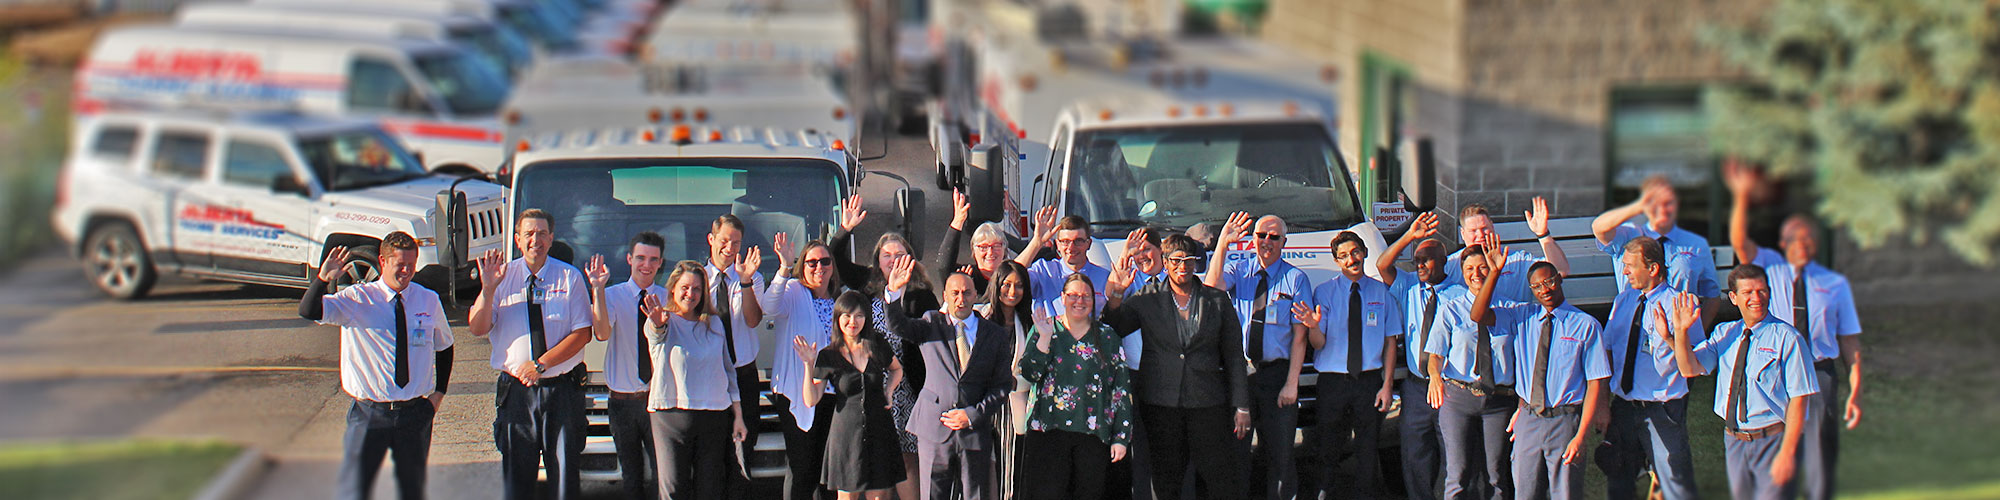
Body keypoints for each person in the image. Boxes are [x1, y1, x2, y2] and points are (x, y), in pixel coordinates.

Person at [1725, 161, 1864, 500]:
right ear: (1782, 243)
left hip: (1819, 374)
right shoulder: (1770, 267)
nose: (1799, 244)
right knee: (1777, 453)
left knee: (1818, 456)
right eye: (1792, 238)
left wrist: (1856, 391)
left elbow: (1849, 341)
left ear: (1813, 243)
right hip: (1777, 374)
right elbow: (1739, 240)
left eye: (1805, 238)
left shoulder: (1834, 284)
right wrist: (1742, 195)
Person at [300, 233, 455, 500]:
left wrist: (438, 394)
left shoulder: (427, 300)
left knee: (412, 489)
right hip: (370, 413)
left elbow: (444, 346)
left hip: (414, 413)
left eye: (411, 264)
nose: (406, 271)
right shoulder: (357, 299)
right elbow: (309, 311)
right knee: (356, 489)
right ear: (382, 261)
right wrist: (323, 279)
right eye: (400, 264)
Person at [1103, 234, 1251, 500]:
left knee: (1218, 478)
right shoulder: (1146, 297)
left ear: (1196, 264)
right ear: (1166, 262)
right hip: (1162, 405)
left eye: (1189, 261)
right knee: (1165, 479)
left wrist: (1241, 405)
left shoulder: (1217, 300)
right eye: (1176, 261)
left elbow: (1234, 356)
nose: (1183, 267)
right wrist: (1117, 294)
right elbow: (1115, 325)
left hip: (1207, 403)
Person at [469, 209, 594, 500]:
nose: (534, 240)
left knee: (564, 481)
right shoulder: (501, 277)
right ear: (517, 239)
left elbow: (582, 334)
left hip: (561, 391)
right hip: (517, 394)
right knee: (517, 480)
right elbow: (478, 327)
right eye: (528, 234)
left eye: (541, 234)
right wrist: (488, 291)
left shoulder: (569, 277)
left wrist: (541, 364)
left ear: (551, 239)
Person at [1663, 266, 1818, 500]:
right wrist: (1680, 332)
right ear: (1733, 298)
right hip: (1734, 440)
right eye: (1748, 293)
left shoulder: (1787, 338)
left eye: (1762, 291)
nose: (1756, 298)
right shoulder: (1725, 333)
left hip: (1772, 439)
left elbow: (1799, 399)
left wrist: (1788, 452)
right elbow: (1689, 368)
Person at [827, 199, 930, 500]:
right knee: (872, 459)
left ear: (910, 259)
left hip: (905, 388)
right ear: (878, 261)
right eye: (887, 255)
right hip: (868, 387)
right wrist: (844, 230)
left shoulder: (921, 296)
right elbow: (835, 259)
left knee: (905, 458)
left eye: (899, 254)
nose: (893, 260)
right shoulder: (866, 286)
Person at [1204, 213, 1311, 500]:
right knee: (1236, 453)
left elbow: (1301, 338)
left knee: (1280, 454)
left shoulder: (1296, 279)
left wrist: (1292, 383)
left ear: (1284, 242)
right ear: (1253, 239)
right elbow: (1212, 287)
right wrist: (1223, 245)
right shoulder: (1240, 270)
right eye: (1261, 235)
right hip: (1242, 374)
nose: (1267, 242)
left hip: (1277, 376)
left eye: (1274, 237)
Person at [1481, 263, 1609, 500]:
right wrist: (1494, 273)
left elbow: (1596, 384)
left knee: (1566, 493)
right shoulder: (1521, 316)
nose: (1545, 289)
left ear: (1559, 279)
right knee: (1526, 491)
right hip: (1528, 419)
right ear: (1531, 290)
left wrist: (1581, 436)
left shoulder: (1585, 325)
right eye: (1537, 286)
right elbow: (1478, 314)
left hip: (1564, 420)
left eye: (1549, 281)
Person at [882, 272, 1014, 500]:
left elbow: (1002, 386)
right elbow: (897, 325)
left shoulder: (995, 335)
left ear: (975, 296)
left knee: (976, 494)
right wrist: (893, 293)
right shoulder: (931, 323)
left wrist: (972, 415)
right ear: (945, 296)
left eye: (966, 293)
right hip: (935, 428)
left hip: (973, 431)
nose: (960, 298)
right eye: (954, 293)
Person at [1293, 230, 1400, 500]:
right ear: (1337, 262)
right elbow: (1318, 343)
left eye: (1354, 253)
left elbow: (1390, 342)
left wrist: (1386, 386)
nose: (1350, 259)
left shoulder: (1381, 292)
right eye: (1343, 256)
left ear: (1364, 252)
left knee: (1367, 449)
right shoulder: (1325, 292)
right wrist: (1313, 326)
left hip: (1368, 381)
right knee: (1327, 448)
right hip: (1333, 382)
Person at [1595, 236, 1702, 500]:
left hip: (1662, 409)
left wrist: (1671, 336)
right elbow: (1608, 350)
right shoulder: (1623, 301)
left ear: (1653, 269)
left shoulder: (1680, 305)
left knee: (1675, 483)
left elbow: (1696, 363)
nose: (1625, 271)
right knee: (1619, 479)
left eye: (1631, 265)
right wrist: (1603, 404)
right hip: (1623, 407)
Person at [639, 261, 752, 499]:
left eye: (697, 289)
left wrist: (738, 416)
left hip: (713, 417)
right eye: (685, 288)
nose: (690, 294)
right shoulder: (663, 321)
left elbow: (728, 372)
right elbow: (654, 334)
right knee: (673, 490)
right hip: (670, 417)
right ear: (673, 289)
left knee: (709, 489)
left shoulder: (714, 323)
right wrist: (658, 323)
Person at [1018, 273, 1135, 500]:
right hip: (1048, 431)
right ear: (1062, 297)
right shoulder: (1045, 328)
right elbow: (1030, 373)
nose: (1079, 301)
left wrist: (1121, 437)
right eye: (1073, 295)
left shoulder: (1107, 336)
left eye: (1085, 296)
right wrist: (1043, 339)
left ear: (1094, 299)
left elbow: (1121, 389)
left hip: (1091, 433)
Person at [793, 290, 908, 500]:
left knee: (880, 495)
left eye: (859, 316)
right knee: (848, 496)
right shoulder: (828, 355)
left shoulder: (877, 344)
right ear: (838, 318)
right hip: (846, 434)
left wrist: (888, 392)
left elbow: (896, 369)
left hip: (879, 429)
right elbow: (811, 399)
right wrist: (808, 366)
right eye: (847, 315)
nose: (852, 321)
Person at [1424, 244, 1518, 500]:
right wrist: (1434, 377)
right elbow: (1435, 355)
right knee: (1458, 472)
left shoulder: (1511, 310)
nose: (1476, 273)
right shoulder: (1450, 310)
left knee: (1496, 473)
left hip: (1498, 401)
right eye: (1469, 269)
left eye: (1482, 267)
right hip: (1459, 398)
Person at [583, 232, 668, 500]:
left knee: (662, 473)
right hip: (623, 403)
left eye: (653, 259)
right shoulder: (612, 295)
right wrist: (597, 288)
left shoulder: (669, 297)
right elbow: (602, 332)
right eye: (641, 258)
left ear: (660, 263)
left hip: (657, 401)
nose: (647, 265)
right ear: (630, 259)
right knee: (630, 475)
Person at [764, 233, 848, 500]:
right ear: (803, 267)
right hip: (798, 394)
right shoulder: (792, 291)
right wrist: (784, 268)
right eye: (811, 263)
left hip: (833, 396)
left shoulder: (840, 300)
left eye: (825, 262)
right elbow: (769, 307)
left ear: (832, 266)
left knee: (826, 472)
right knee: (802, 469)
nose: (818, 268)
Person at [1375, 212, 1448, 500]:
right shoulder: (1408, 287)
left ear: (1443, 262)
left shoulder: (1456, 294)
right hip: (1417, 385)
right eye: (1416, 260)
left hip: (1446, 385)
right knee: (1415, 451)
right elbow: (1382, 264)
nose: (1420, 265)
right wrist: (1409, 237)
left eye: (1426, 259)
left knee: (1450, 452)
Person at [699, 215, 769, 499]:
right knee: (712, 449)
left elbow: (753, 321)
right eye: (724, 240)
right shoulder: (698, 279)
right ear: (711, 239)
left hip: (743, 375)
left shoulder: (752, 277)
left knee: (744, 448)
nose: (729, 248)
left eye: (736, 243)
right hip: (710, 374)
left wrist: (746, 281)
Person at [1592, 175, 1723, 323]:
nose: (1662, 209)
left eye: (1668, 202)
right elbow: (1599, 227)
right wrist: (1638, 206)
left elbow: (1713, 297)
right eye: (1654, 202)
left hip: (1677, 330)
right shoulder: (1628, 235)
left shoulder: (1695, 244)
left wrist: (1694, 335)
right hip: (1635, 327)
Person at [1109, 228, 1166, 500]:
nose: (1142, 256)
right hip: (1135, 375)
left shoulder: (1175, 279)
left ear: (1161, 250)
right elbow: (1111, 306)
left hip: (1169, 375)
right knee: (1140, 449)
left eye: (1148, 249)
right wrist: (1124, 255)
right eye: (1137, 251)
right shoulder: (1129, 281)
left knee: (1170, 449)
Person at [976, 260, 1035, 500]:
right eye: (1007, 284)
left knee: (1009, 470)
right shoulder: (980, 318)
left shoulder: (1030, 323)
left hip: (1011, 408)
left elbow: (1032, 371)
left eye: (1019, 286)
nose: (1012, 292)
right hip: (980, 405)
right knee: (978, 470)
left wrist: (1013, 382)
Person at [1445, 198, 1570, 302]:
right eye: (1473, 231)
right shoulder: (1452, 264)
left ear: (1492, 227)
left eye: (1484, 228)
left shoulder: (1518, 261)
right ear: (1462, 233)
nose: (1480, 235)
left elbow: (1561, 270)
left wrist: (1543, 235)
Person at [1016, 207, 1111, 314]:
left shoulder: (1104, 278)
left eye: (1078, 241)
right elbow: (1011, 275)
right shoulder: (1043, 271)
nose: (1071, 248)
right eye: (1065, 242)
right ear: (1057, 244)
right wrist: (1036, 243)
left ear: (1088, 244)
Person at [937, 190, 1012, 296]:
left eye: (996, 246)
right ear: (974, 251)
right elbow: (943, 266)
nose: (990, 252)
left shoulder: (1012, 276)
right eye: (983, 247)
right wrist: (958, 220)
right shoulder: (967, 275)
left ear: (1004, 249)